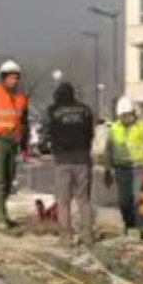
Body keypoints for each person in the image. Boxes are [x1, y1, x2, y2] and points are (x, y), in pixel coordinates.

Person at [45, 81, 96, 247]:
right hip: (82, 158)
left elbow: (47, 132)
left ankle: (66, 237)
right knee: (84, 200)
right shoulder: (85, 110)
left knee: (63, 200)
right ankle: (87, 236)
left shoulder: (53, 111)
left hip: (62, 160)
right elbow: (90, 133)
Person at [0, 59, 30, 230]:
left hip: (13, 143)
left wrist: (24, 146)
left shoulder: (22, 98)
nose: (14, 81)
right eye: (11, 77)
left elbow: (24, 123)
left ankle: (3, 212)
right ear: (3, 78)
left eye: (16, 78)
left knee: (9, 180)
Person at [104, 96, 143, 238]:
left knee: (139, 200)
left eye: (128, 115)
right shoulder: (114, 129)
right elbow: (109, 150)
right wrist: (108, 170)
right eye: (123, 116)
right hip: (121, 169)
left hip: (139, 168)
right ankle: (129, 226)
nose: (126, 118)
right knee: (124, 202)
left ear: (133, 113)